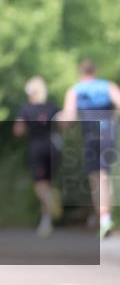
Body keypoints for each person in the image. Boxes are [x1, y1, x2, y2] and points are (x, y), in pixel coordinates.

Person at [55, 59, 120, 240]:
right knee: (105, 176)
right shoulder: (108, 86)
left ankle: (104, 218)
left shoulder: (76, 90)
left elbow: (68, 118)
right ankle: (106, 217)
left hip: (90, 135)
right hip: (107, 133)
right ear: (94, 71)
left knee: (95, 178)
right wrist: (113, 119)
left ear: (81, 73)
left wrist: (60, 121)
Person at [13, 76, 61, 237]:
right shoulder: (52, 107)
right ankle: (46, 220)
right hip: (54, 148)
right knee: (49, 184)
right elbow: (65, 123)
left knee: (41, 186)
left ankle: (48, 210)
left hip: (37, 148)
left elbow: (18, 131)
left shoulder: (26, 109)